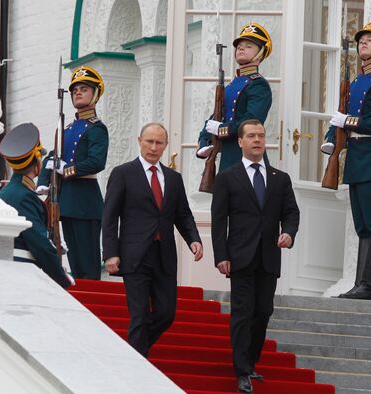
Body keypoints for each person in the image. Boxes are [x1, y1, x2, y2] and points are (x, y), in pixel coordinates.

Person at [211, 119, 300, 393]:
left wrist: (289, 233)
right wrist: (220, 255)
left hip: (269, 257)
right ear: (240, 142)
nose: (257, 140)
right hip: (239, 256)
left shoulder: (280, 178)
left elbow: (291, 212)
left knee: (263, 311)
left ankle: (250, 362)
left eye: (261, 136)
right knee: (242, 312)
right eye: (251, 136)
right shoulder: (227, 177)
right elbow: (218, 220)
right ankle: (241, 371)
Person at [102, 122, 203, 357]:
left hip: (164, 255)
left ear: (166, 145)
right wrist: (110, 253)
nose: (154, 147)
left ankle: (135, 351)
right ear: (139, 141)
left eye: (159, 143)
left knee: (166, 313)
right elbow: (109, 217)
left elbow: (183, 215)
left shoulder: (174, 179)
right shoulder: (123, 173)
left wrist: (194, 240)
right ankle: (137, 365)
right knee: (138, 314)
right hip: (134, 256)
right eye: (149, 141)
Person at [321, 21, 371, 301]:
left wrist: (349, 122)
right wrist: (333, 135)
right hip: (356, 159)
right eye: (361, 40)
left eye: (370, 40)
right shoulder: (357, 81)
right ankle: (359, 284)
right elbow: (343, 114)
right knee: (363, 226)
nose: (363, 43)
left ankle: (369, 286)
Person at [37, 65, 109, 280]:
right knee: (75, 264)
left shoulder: (96, 128)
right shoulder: (67, 129)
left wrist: (66, 169)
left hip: (85, 200)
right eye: (75, 89)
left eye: (84, 89)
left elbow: (96, 162)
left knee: (87, 263)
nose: (78, 92)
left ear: (95, 94)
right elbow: (52, 156)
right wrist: (43, 180)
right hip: (67, 201)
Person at [0, 122, 74, 289]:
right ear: (37, 163)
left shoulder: (4, 193)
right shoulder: (25, 197)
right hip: (23, 270)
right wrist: (61, 277)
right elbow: (39, 244)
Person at [197, 22, 273, 172]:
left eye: (248, 45)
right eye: (239, 46)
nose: (241, 48)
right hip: (227, 156)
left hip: (247, 156)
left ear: (261, 52)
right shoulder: (233, 84)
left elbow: (251, 122)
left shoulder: (258, 85)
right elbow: (218, 114)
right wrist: (204, 139)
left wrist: (221, 130)